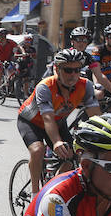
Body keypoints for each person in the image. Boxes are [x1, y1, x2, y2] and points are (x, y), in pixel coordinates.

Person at [18, 48, 101, 194]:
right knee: (38, 151)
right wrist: (56, 142)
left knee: (72, 154)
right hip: (32, 122)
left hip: (57, 122)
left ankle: (53, 190)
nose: (73, 75)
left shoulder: (85, 85)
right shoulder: (45, 86)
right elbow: (47, 118)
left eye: (77, 70)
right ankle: (35, 195)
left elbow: (95, 116)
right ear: (57, 69)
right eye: (68, 70)